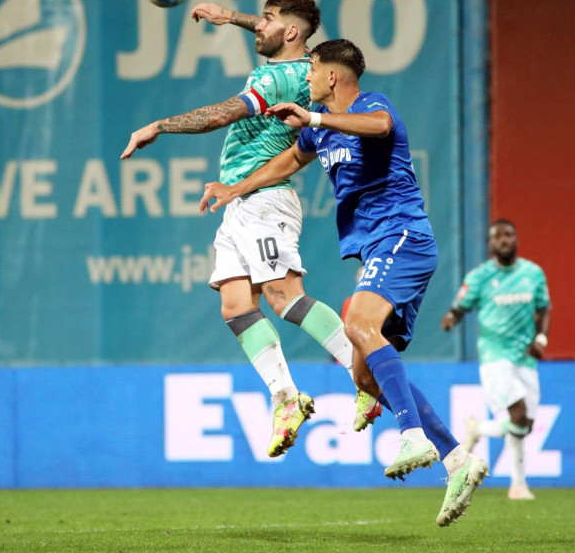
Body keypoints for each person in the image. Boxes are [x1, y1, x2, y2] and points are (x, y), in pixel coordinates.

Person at [199, 38, 488, 527]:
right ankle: (458, 458)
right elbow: (286, 163)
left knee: (357, 321)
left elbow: (380, 128)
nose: (306, 78)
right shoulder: (320, 131)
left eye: (311, 69)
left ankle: (411, 435)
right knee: (364, 375)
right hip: (378, 248)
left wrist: (314, 119)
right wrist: (236, 189)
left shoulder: (371, 106)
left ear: (332, 76)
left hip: (403, 235)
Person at [121, 0, 380, 458]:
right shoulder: (298, 65)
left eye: (267, 20)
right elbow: (276, 33)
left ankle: (364, 376)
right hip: (243, 199)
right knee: (236, 306)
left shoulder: (280, 76)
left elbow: (222, 114)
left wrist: (159, 125)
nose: (258, 27)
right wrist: (230, 17)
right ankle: (286, 397)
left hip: (264, 202)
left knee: (286, 297)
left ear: (292, 33)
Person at [441, 219, 551, 500]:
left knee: (524, 424)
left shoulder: (533, 273)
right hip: (495, 356)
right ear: (490, 244)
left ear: (516, 239)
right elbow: (460, 306)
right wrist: (452, 317)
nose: (504, 240)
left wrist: (540, 339)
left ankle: (479, 431)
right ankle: (519, 485)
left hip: (525, 357)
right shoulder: (480, 277)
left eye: (509, 235)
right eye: (497, 237)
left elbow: (543, 310)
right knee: (518, 413)